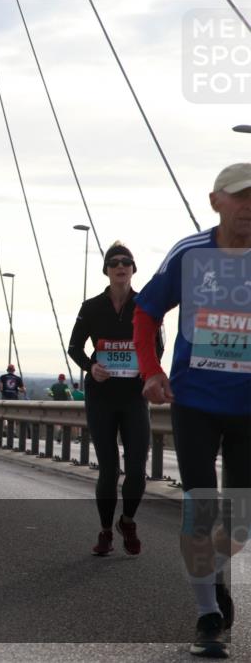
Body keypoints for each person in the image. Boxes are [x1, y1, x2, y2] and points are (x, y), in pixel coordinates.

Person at [133, 163, 251, 658]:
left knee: (238, 520)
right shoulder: (190, 253)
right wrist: (151, 372)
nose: (248, 207)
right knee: (202, 507)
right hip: (194, 402)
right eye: (239, 197)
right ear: (215, 201)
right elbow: (146, 311)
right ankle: (207, 617)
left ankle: (217, 575)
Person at [69, 241, 162, 558]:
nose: (120, 266)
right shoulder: (92, 306)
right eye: (114, 262)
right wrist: (90, 367)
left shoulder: (145, 304)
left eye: (126, 261)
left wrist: (147, 371)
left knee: (137, 469)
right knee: (109, 469)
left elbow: (157, 347)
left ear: (133, 269)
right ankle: (106, 531)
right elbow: (75, 348)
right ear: (106, 270)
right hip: (102, 396)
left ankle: (128, 521)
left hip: (134, 396)